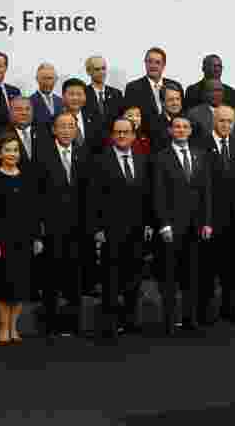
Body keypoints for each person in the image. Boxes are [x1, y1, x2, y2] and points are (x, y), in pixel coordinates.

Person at [88, 117, 152, 338]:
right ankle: (110, 324)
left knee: (134, 278)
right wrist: (97, 228)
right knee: (110, 279)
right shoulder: (99, 161)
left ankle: (131, 320)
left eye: (126, 132)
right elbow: (92, 198)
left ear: (134, 135)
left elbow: (148, 195)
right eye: (118, 132)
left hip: (137, 230)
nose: (122, 136)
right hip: (110, 231)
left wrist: (149, 224)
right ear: (112, 135)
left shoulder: (143, 160)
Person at [153, 116, 212, 332]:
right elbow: (158, 194)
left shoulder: (200, 155)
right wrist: (164, 224)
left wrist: (207, 222)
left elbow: (207, 192)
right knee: (170, 275)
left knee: (192, 274)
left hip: (196, 225)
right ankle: (169, 321)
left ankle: (190, 318)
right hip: (172, 226)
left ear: (190, 131)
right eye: (177, 126)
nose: (181, 130)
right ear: (170, 131)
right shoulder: (161, 158)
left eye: (185, 127)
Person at [0, 132, 39, 344]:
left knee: (21, 285)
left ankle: (14, 327)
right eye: (8, 150)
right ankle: (3, 326)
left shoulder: (27, 176)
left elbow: (34, 210)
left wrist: (36, 238)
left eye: (16, 150)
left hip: (24, 238)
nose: (12, 154)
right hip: (2, 240)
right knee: (4, 285)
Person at [37, 113, 87, 337]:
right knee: (51, 277)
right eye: (62, 127)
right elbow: (35, 194)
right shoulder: (42, 155)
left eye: (71, 126)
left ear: (76, 130)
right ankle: (51, 325)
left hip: (77, 227)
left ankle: (73, 324)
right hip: (51, 226)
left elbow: (89, 193)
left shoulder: (83, 154)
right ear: (54, 130)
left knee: (74, 276)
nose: (67, 130)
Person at [199, 106, 235, 324]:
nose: (226, 125)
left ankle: (230, 308)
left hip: (234, 217)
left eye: (230, 121)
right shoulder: (202, 145)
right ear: (214, 120)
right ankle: (206, 312)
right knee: (207, 267)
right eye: (222, 120)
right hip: (210, 217)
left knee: (231, 266)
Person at [124, 47, 181, 138]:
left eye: (157, 62)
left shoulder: (176, 86)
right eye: (150, 61)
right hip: (146, 140)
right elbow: (130, 119)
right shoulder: (133, 88)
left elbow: (181, 114)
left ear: (164, 65)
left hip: (173, 138)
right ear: (145, 63)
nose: (153, 66)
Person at [61, 77, 101, 157]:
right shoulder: (55, 121)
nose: (75, 98)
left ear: (85, 97)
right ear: (63, 96)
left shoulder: (96, 119)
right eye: (71, 94)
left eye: (79, 94)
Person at [84, 55, 124, 130]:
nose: (101, 72)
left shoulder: (116, 94)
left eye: (103, 68)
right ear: (88, 71)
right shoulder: (83, 94)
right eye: (97, 69)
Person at [186, 79, 225, 146]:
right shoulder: (194, 114)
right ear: (205, 93)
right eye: (212, 91)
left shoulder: (231, 111)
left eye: (219, 90)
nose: (216, 94)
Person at [30, 63, 62, 130]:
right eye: (43, 78)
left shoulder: (62, 102)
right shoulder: (29, 102)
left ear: (56, 79)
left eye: (50, 78)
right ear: (37, 79)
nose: (47, 82)